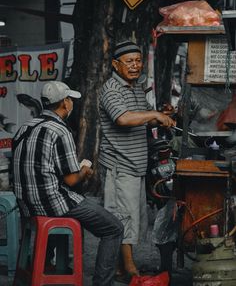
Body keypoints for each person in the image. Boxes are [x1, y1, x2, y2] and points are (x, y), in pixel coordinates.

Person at [12, 80, 124, 286]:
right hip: (51, 203)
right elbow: (71, 179)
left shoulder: (24, 128)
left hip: (27, 205)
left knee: (73, 206)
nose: (71, 103)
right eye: (70, 99)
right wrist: (85, 170)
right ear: (65, 103)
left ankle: (44, 267)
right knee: (114, 228)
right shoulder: (60, 130)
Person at [98, 40, 176, 281]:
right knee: (124, 217)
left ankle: (122, 268)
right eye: (129, 61)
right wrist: (153, 114)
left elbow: (142, 120)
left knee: (133, 216)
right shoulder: (111, 89)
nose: (135, 66)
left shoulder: (133, 88)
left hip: (135, 164)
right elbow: (123, 119)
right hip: (120, 165)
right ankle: (130, 270)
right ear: (115, 64)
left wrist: (161, 117)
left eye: (138, 61)